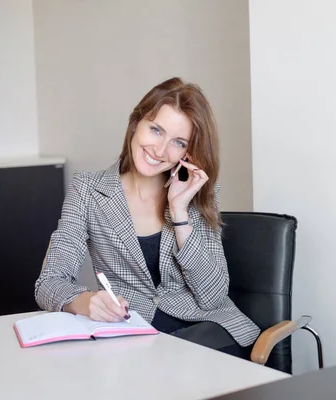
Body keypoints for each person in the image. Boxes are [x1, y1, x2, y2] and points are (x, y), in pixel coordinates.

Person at [35, 77, 260, 357]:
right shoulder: (87, 191)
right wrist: (86, 301)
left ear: (187, 153)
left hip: (209, 330)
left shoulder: (198, 193)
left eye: (177, 142)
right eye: (155, 130)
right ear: (136, 122)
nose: (160, 150)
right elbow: (49, 283)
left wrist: (179, 213)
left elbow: (213, 297)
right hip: (139, 334)